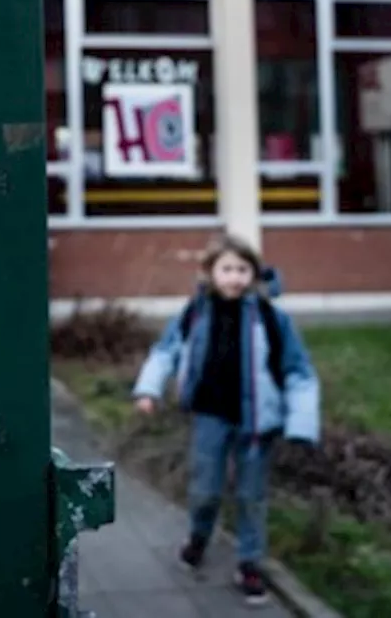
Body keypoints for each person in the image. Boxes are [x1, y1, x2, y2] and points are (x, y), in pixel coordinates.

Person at [131, 233, 320, 607]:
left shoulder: (270, 317)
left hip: (256, 425)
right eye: (226, 269)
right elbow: (166, 350)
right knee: (205, 490)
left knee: (251, 496)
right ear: (210, 273)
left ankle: (249, 562)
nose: (234, 277)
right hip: (210, 417)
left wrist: (301, 423)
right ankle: (199, 535)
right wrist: (149, 389)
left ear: (253, 274)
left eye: (242, 269)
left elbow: (299, 372)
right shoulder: (196, 312)